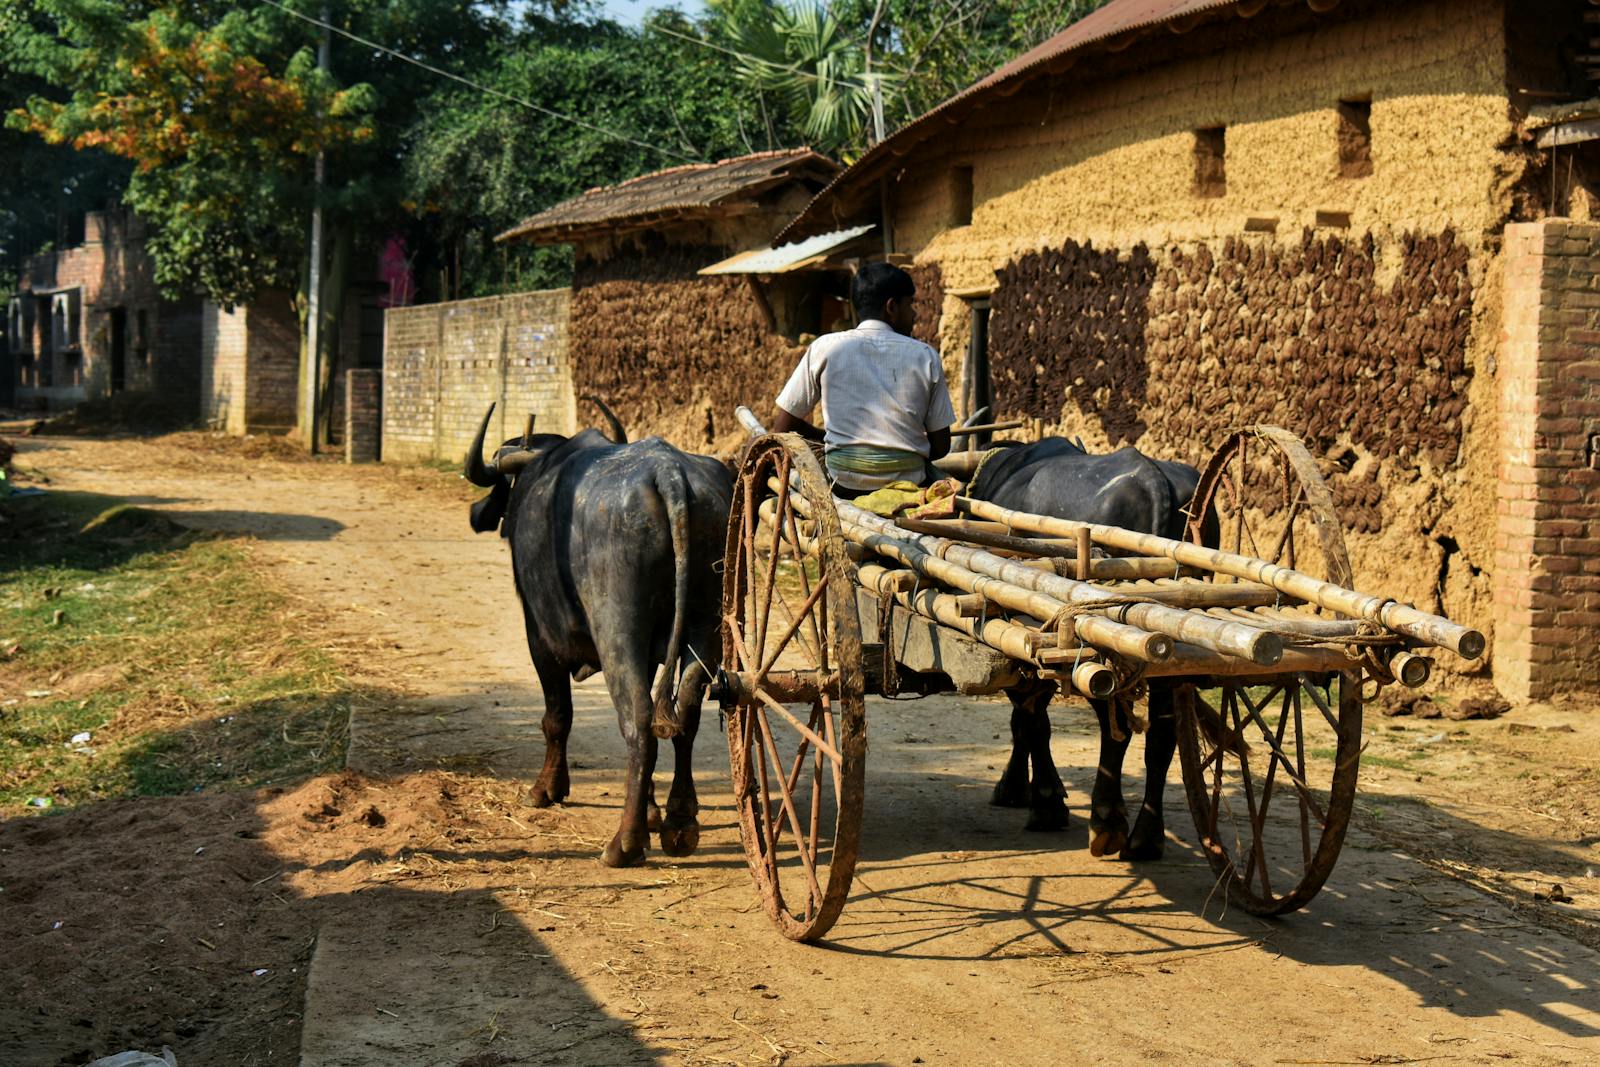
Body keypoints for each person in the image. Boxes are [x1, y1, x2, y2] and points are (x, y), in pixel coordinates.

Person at [773, 262, 955, 498]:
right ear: (891, 307)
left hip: (844, 484)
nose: (914, 314)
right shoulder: (925, 355)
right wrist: (904, 449)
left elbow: (783, 427)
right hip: (909, 486)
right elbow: (941, 446)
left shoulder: (824, 348)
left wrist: (828, 439)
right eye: (910, 304)